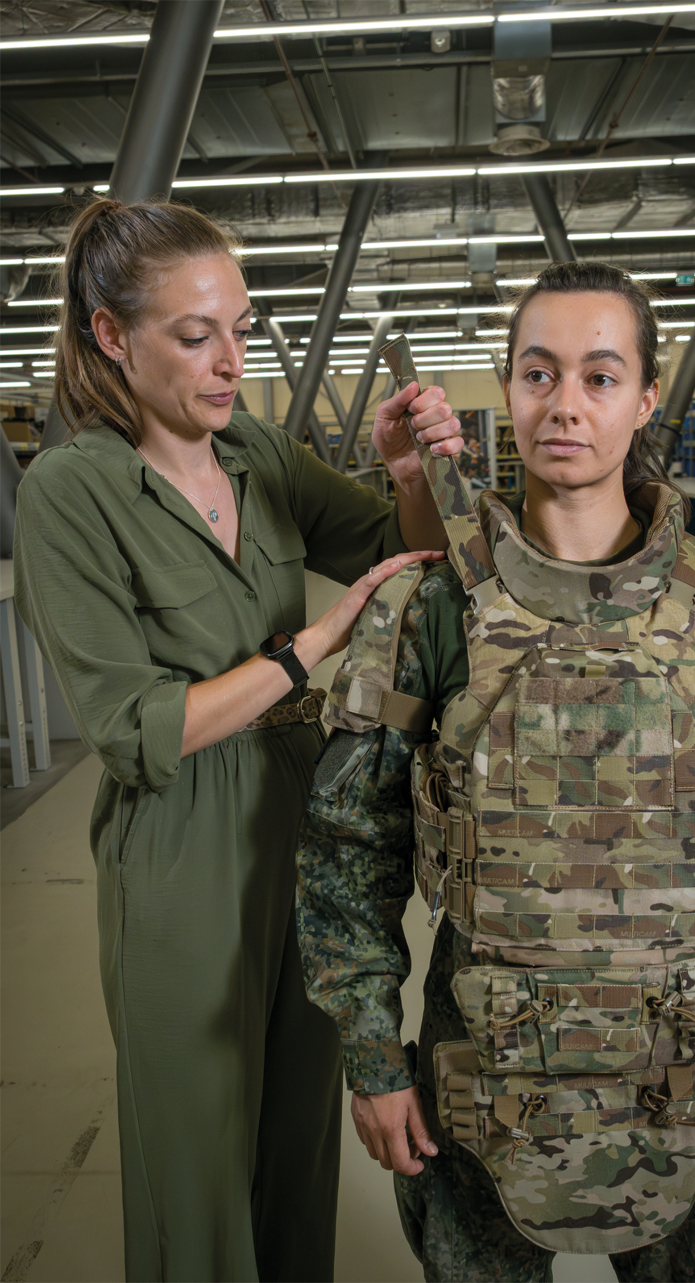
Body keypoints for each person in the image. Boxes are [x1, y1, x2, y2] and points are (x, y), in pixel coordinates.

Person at [297, 261, 695, 1283]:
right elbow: (345, 851)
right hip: (479, 1063)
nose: (565, 405)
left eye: (597, 375)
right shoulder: (429, 610)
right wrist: (372, 1053)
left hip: (692, 1060)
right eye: (538, 374)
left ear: (641, 397)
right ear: (507, 391)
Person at [13, 197, 466, 1283]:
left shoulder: (256, 448)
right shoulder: (70, 493)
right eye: (194, 333)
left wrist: (408, 475)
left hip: (300, 819)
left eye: (243, 327)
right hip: (179, 839)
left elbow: (406, 552)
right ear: (110, 336)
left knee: (297, 1142)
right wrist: (308, 648)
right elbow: (132, 730)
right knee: (197, 1155)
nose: (228, 361)